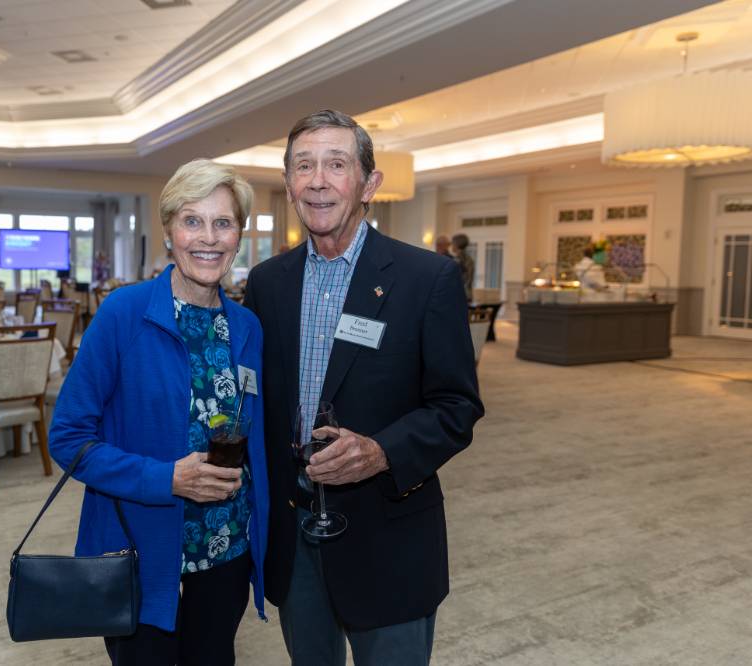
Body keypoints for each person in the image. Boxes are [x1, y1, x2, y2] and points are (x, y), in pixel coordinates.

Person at [243, 110, 484, 665]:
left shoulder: (427, 279)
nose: (317, 180)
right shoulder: (268, 283)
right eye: (304, 166)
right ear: (288, 184)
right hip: (295, 539)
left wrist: (381, 452)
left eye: (336, 164)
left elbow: (457, 406)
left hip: (389, 542)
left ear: (369, 183)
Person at [49, 159, 269, 666]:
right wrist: (165, 478)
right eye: (192, 221)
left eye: (223, 222)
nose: (208, 238)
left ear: (239, 235)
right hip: (140, 551)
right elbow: (68, 438)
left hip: (226, 551)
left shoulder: (247, 327)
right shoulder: (123, 314)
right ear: (169, 231)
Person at [451, 232, 475, 303]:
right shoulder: (468, 258)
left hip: (460, 294)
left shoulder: (459, 259)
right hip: (466, 294)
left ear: (457, 244)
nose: (451, 246)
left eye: (452, 243)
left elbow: (463, 278)